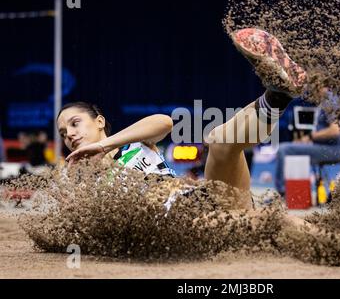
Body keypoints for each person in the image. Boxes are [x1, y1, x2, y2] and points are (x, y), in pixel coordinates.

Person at [58, 28, 311, 215]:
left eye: (74, 123)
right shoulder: (80, 182)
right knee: (268, 225)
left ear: (99, 121)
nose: (68, 134)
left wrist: (103, 147)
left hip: (202, 203)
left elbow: (165, 123)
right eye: (62, 133)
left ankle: (278, 95)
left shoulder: (132, 144)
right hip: (181, 229)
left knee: (218, 140)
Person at [275, 90, 340, 196]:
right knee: (291, 147)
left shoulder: (330, 101)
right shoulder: (326, 101)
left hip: (333, 150)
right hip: (324, 147)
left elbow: (335, 130)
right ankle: (294, 194)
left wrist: (310, 137)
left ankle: (282, 192)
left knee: (283, 149)